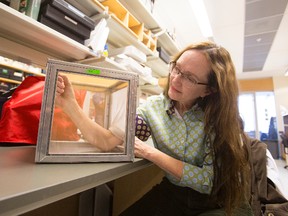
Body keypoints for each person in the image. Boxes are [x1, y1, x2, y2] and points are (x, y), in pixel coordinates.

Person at [56, 41, 252, 215]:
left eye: (190, 78)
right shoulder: (153, 108)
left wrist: (152, 153)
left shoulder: (220, 120)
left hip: (220, 203)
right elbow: (107, 141)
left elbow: (209, 182)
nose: (175, 80)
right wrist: (71, 106)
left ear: (209, 90)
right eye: (177, 68)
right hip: (176, 194)